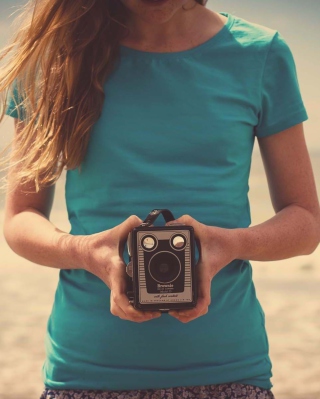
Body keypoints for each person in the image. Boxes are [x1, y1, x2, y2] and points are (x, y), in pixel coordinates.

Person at [1, 0, 319, 398]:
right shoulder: (56, 55)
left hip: (230, 369)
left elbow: (305, 221)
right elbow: (20, 217)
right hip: (87, 372)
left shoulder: (260, 55)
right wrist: (85, 251)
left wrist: (232, 243)